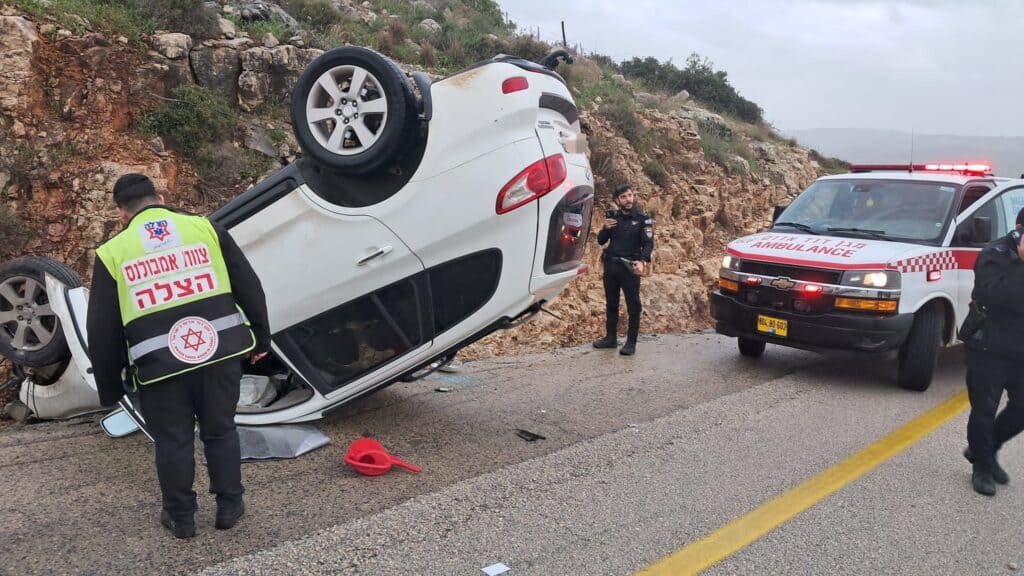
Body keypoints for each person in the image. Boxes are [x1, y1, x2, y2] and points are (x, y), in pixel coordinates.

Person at [86, 173, 271, 538]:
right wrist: (261, 338)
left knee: (173, 441)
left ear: (121, 213)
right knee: (220, 431)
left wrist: (111, 387)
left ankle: (181, 518)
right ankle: (229, 507)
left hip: (159, 367)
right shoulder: (205, 228)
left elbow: (101, 328)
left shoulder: (112, 252)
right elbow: (248, 283)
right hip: (218, 354)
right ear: (160, 195)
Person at [961, 206, 1024, 496]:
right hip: (989, 346)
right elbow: (996, 296)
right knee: (984, 409)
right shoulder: (994, 254)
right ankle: (982, 466)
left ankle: (986, 449)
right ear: (1019, 228)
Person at [592, 184, 653, 356]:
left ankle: (631, 343)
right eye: (624, 197)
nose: (628, 199)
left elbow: (648, 244)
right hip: (611, 266)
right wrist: (605, 228)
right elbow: (601, 241)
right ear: (617, 200)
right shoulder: (614, 218)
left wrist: (642, 261)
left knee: (633, 305)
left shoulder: (643, 219)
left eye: (630, 195)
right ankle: (610, 339)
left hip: (630, 266)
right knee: (611, 303)